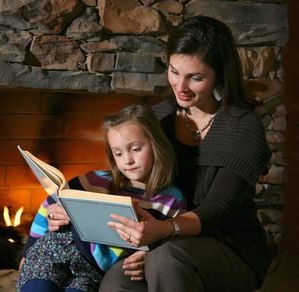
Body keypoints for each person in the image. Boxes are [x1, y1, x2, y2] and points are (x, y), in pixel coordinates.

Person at [97, 16, 273, 292]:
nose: (180, 87)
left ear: (221, 74)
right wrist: (71, 207)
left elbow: (217, 211)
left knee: (167, 261)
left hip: (230, 246)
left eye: (196, 77)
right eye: (174, 71)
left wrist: (162, 238)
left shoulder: (243, 127)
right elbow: (123, 178)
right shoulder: (157, 120)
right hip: (162, 242)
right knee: (116, 279)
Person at [16, 104, 187, 292]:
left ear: (155, 144)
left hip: (92, 271)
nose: (127, 160)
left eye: (136, 149)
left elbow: (169, 243)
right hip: (53, 251)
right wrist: (28, 251)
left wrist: (147, 258)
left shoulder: (172, 201)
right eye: (118, 153)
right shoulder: (94, 180)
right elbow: (48, 205)